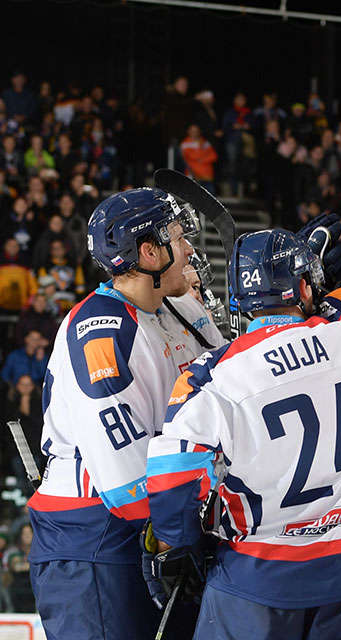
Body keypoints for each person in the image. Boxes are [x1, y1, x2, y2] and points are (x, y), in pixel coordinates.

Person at [144, 122, 341, 639]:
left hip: (255, 584)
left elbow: (170, 478)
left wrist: (180, 545)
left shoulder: (212, 376)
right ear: (302, 285)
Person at [27, 187, 203, 639]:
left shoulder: (176, 308)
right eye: (179, 239)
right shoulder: (101, 332)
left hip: (156, 525)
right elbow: (128, 486)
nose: (189, 251)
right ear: (149, 252)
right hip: (95, 538)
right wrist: (186, 531)